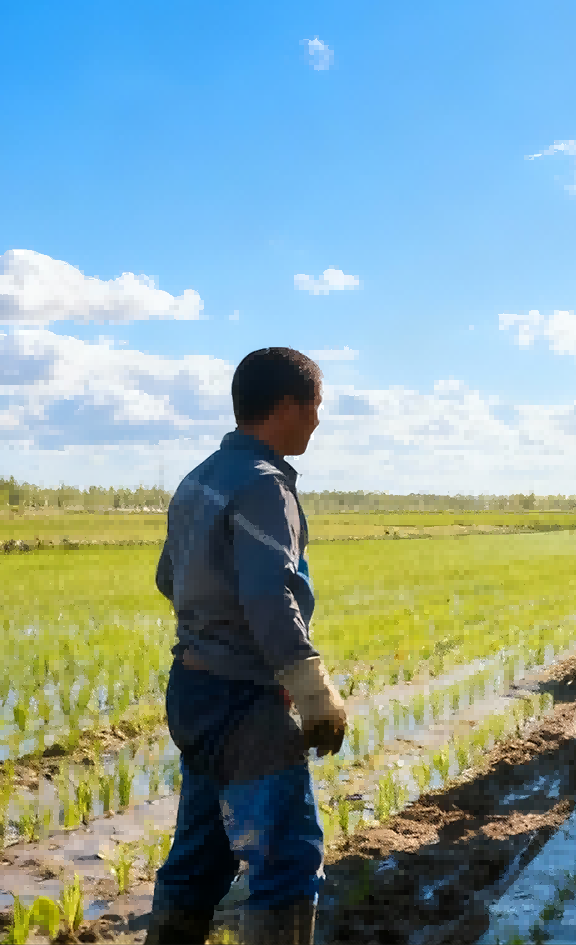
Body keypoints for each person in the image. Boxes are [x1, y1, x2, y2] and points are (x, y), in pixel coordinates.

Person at [146, 347, 349, 945]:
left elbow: (168, 578)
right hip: (242, 705)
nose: (318, 418)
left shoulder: (199, 478)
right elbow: (270, 597)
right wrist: (314, 694)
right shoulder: (264, 486)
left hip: (193, 692)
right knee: (285, 859)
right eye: (314, 404)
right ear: (286, 406)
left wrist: (211, 625)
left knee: (200, 856)